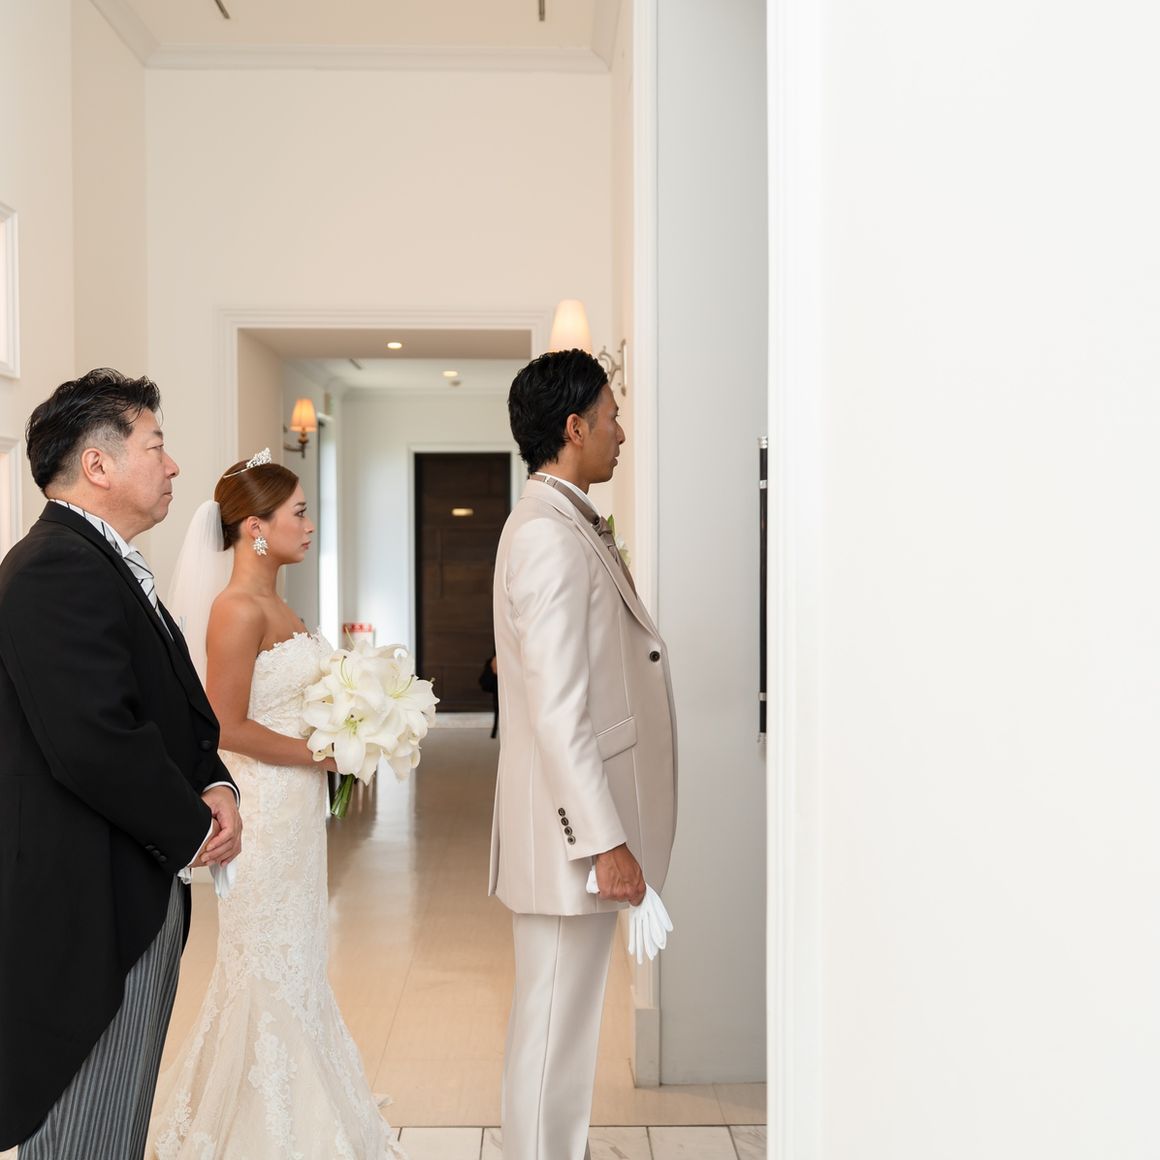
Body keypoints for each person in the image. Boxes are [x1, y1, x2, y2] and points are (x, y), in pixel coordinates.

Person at [0, 368, 242, 1158]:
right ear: (98, 464)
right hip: (88, 900)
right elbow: (94, 739)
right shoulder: (56, 567)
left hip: (127, 880)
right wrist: (194, 826)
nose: (173, 466)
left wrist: (213, 778)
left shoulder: (100, 560)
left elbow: (166, 704)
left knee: (115, 1122)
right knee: (86, 1129)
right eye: (156, 446)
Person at [147, 451, 404, 1159]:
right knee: (265, 963)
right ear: (255, 528)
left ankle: (297, 1108)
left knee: (298, 959)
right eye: (299, 512)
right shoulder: (236, 608)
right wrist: (323, 755)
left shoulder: (280, 605)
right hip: (261, 811)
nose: (310, 525)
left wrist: (349, 726)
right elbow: (225, 726)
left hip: (295, 814)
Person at [490, 349, 678, 1159]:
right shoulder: (547, 537)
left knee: (560, 1030)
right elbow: (559, 710)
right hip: (571, 837)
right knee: (551, 1036)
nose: (621, 433)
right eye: (611, 418)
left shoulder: (562, 521)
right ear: (573, 428)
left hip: (573, 827)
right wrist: (604, 841)